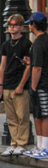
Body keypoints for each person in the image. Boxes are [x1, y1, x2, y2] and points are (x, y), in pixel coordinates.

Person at [0, 14, 33, 156]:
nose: (12, 27)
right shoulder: (6, 44)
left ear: (21, 27)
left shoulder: (26, 44)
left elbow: (29, 66)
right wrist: (0, 84)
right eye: (10, 25)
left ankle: (22, 143)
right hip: (7, 84)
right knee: (11, 116)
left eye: (15, 25)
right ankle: (13, 143)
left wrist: (21, 85)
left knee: (22, 115)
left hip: (20, 84)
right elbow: (2, 65)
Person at [25, 12, 48, 159]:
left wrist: (33, 87)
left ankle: (44, 146)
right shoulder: (44, 40)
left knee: (43, 114)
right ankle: (40, 145)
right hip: (44, 83)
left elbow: (37, 67)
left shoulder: (39, 42)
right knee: (38, 114)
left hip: (42, 84)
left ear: (33, 24)